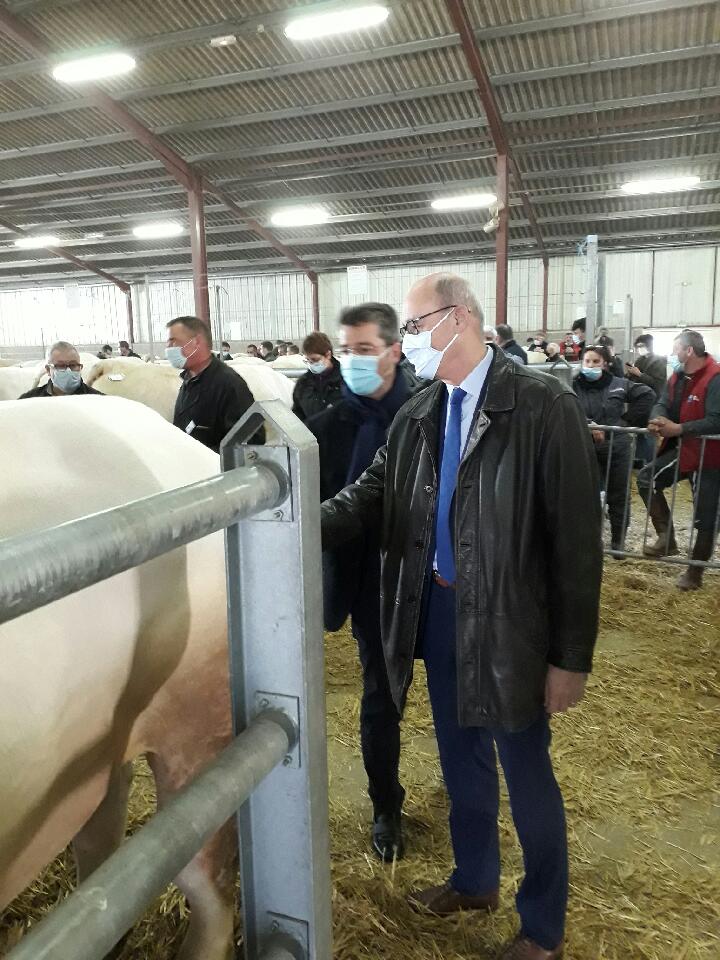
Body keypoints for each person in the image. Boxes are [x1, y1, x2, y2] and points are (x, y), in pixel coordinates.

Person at [321, 273, 602, 960]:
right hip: (441, 611)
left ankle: (542, 926)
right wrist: (292, 520)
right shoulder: (422, 413)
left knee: (525, 767)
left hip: (512, 622)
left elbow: (575, 542)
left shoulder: (540, 406)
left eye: (415, 327)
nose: (408, 342)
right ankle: (474, 879)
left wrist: (571, 657)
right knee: (459, 756)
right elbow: (369, 494)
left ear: (461, 318)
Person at [307, 303, 424, 863]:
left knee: (454, 689)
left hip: (431, 580)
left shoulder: (430, 411)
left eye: (365, 349)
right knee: (380, 695)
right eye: (347, 350)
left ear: (395, 350)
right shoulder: (327, 427)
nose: (353, 360)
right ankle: (386, 805)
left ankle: (463, 780)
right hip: (367, 585)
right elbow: (308, 508)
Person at [638, 330, 720, 590]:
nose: (672, 355)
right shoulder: (677, 377)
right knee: (646, 478)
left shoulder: (715, 378)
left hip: (711, 457)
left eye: (676, 350)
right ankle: (667, 537)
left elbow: (716, 420)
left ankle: (694, 573)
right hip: (686, 449)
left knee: (705, 517)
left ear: (689, 351)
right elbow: (662, 402)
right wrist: (657, 418)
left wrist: (680, 429)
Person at [573, 345, 654, 553]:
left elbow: (647, 395)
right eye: (587, 361)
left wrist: (625, 422)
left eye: (595, 362)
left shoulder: (618, 385)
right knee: (584, 495)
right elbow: (566, 407)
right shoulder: (572, 385)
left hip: (616, 447)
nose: (590, 365)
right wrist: (588, 424)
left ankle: (618, 542)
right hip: (583, 447)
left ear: (606, 364)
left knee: (618, 494)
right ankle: (588, 541)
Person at [167, 316, 263, 452]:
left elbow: (251, 439)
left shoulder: (229, 384)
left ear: (196, 342)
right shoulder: (189, 380)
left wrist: (204, 457)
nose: (168, 348)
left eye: (173, 342)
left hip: (216, 470)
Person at [20, 341, 103, 398]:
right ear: (48, 370)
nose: (68, 370)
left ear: (80, 368)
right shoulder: (31, 400)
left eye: (73, 365)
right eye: (61, 366)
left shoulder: (97, 400)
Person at [292, 332, 343, 422]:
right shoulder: (303, 384)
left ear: (328, 355)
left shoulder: (344, 381)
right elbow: (297, 412)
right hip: (309, 434)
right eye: (308, 360)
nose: (311, 364)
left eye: (315, 359)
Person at [625, 334, 667, 399]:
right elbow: (634, 379)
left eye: (641, 346)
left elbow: (657, 384)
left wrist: (640, 374)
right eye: (637, 347)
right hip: (639, 396)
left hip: (653, 398)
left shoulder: (659, 361)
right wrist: (630, 373)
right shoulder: (639, 360)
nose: (639, 349)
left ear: (649, 346)